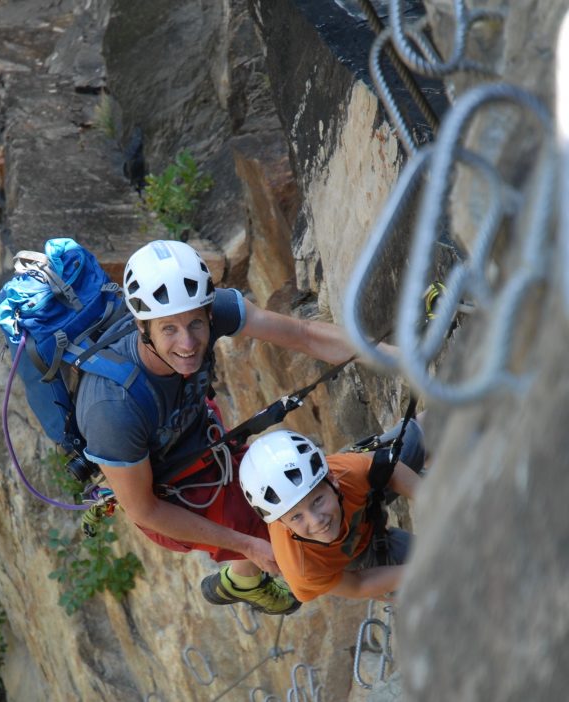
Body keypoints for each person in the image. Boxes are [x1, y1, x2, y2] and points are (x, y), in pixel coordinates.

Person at [74, 239, 372, 615]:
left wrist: (402, 356)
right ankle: (253, 577)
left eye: (196, 323)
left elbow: (305, 335)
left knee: (282, 484)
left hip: (201, 437)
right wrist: (249, 545)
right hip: (169, 492)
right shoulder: (111, 409)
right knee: (290, 527)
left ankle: (239, 581)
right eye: (169, 330)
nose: (188, 343)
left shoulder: (209, 312)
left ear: (208, 312)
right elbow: (145, 510)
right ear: (142, 326)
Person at [237, 424, 424, 602]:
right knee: (438, 568)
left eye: (317, 501)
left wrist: (436, 501)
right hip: (362, 553)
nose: (316, 521)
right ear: (283, 524)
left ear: (332, 479)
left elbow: (389, 468)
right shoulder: (301, 567)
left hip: (365, 495)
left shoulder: (347, 472)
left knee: (426, 429)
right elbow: (359, 584)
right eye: (296, 517)